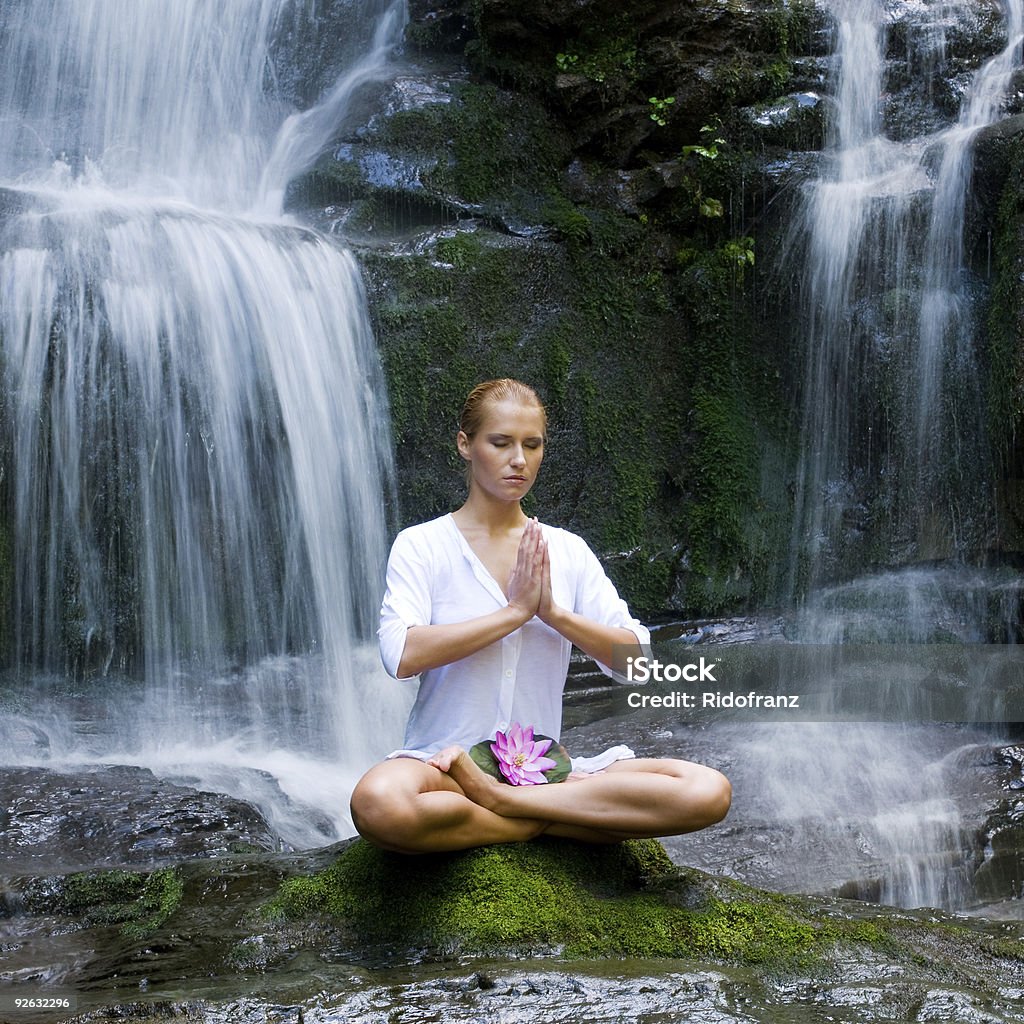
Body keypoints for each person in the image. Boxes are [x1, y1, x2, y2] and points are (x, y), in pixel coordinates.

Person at [350, 379, 731, 853]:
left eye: (532, 445)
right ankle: (534, 817)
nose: (519, 460)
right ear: (465, 444)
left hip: (548, 770)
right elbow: (401, 653)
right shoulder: (422, 545)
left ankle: (505, 804)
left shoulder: (566, 551)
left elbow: (637, 664)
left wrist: (552, 612)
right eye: (501, 443)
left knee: (707, 791)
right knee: (379, 803)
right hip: (444, 767)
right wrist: (513, 612)